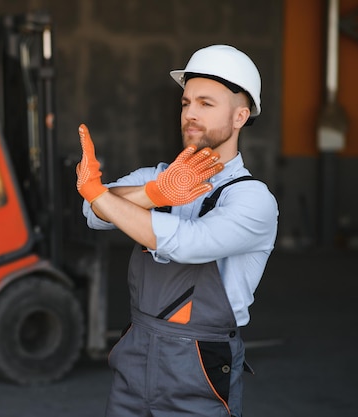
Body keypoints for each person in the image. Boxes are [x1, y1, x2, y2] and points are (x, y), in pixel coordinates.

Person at [75, 44, 279, 417]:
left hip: (199, 362)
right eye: (186, 103)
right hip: (136, 353)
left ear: (240, 116)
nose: (190, 114)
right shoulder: (158, 177)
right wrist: (151, 193)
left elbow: (188, 243)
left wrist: (106, 197)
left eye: (206, 103)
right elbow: (94, 213)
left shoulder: (253, 200)